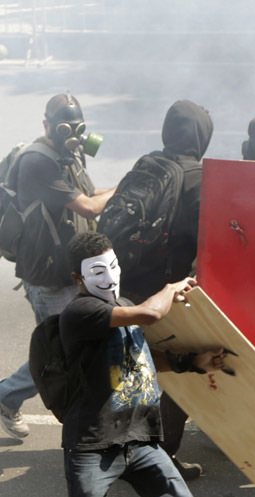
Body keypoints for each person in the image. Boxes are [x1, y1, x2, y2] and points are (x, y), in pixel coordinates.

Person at [60, 231, 226, 497]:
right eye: (98, 271)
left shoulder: (123, 306)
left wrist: (194, 362)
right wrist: (171, 288)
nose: (110, 277)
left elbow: (144, 357)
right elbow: (151, 313)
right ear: (78, 278)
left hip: (139, 442)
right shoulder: (81, 311)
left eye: (113, 266)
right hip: (94, 446)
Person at [0, 93, 115, 439]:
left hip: (68, 269)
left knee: (71, 346)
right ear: (47, 125)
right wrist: (127, 184)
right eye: (65, 126)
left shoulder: (70, 155)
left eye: (77, 127)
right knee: (59, 350)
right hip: (47, 276)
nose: (73, 134)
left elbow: (92, 194)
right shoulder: (38, 161)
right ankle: (7, 395)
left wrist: (125, 188)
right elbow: (89, 208)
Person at [116, 99, 214, 480]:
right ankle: (157, 457)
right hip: (166, 294)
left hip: (126, 286)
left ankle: (125, 446)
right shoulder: (199, 177)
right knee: (173, 377)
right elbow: (207, 245)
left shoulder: (145, 165)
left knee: (133, 371)